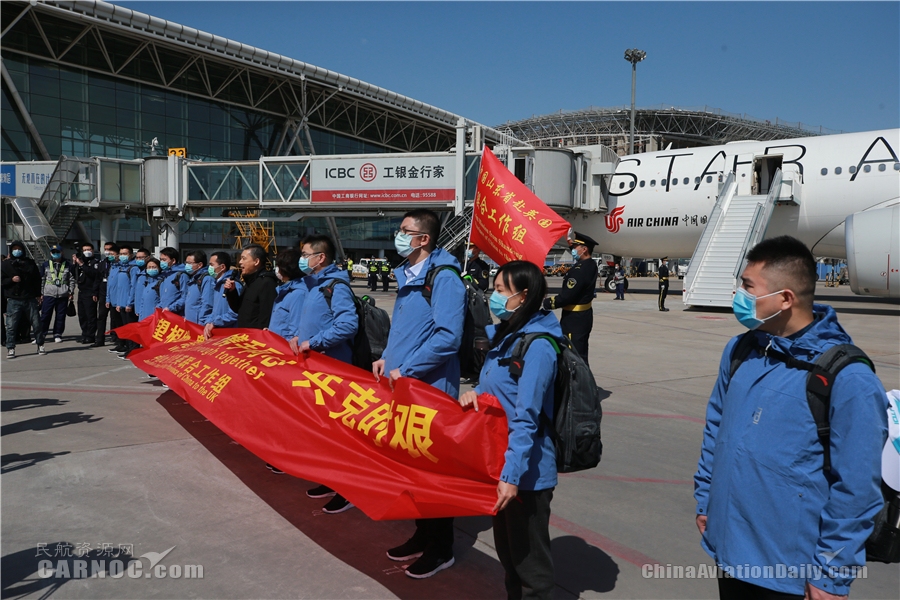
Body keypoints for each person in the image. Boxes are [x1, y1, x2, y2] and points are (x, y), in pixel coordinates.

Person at [693, 236, 888, 600]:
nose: (739, 295)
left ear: (785, 298)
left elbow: (858, 489)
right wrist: (706, 501)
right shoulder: (741, 351)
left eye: (748, 287)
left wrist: (831, 574)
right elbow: (716, 431)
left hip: (789, 571)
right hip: (728, 548)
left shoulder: (847, 377)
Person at [459, 260, 559, 600]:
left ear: (524, 295)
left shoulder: (539, 346)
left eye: (501, 291)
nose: (494, 296)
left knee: (531, 569)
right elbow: (501, 394)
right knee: (510, 561)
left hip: (524, 474)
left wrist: (512, 476)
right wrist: (477, 397)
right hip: (501, 465)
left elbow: (526, 416)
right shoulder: (507, 337)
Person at [374, 208, 466, 579]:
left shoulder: (444, 277)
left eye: (404, 230)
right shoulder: (411, 274)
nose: (398, 235)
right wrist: (385, 357)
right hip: (404, 386)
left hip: (428, 389)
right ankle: (422, 534)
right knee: (412, 469)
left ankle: (441, 548)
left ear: (423, 239)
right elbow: (410, 330)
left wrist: (407, 368)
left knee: (432, 472)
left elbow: (447, 337)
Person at [293, 235, 359, 514]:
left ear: (321, 257)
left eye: (306, 254)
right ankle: (331, 480)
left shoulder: (335, 285)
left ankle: (348, 489)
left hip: (332, 371)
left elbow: (348, 325)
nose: (302, 258)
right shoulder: (314, 285)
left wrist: (314, 342)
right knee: (322, 430)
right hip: (314, 370)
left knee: (338, 433)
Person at [542, 231, 598, 366]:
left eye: (575, 247)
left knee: (573, 355)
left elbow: (567, 297)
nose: (573, 250)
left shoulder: (580, 270)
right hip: (582, 316)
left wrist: (547, 302)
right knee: (581, 352)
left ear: (584, 249)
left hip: (574, 319)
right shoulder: (590, 265)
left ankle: (578, 385)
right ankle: (584, 384)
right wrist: (570, 244)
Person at [2, 241, 44, 357]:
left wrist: (38, 294)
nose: (17, 251)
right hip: (13, 299)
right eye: (14, 249)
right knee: (11, 325)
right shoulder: (6, 265)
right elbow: (2, 281)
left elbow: (37, 279)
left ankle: (40, 344)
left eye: (19, 248)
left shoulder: (30, 263)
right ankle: (10, 347)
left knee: (36, 323)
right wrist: (11, 280)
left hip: (29, 298)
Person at [224, 244, 278, 329]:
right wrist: (232, 291)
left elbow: (266, 317)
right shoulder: (250, 281)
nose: (240, 262)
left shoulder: (266, 282)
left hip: (255, 338)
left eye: (244, 258)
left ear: (256, 262)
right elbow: (238, 309)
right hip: (244, 335)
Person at [266, 248, 308, 343]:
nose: (277, 269)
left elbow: (295, 331)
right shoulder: (287, 290)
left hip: (284, 349)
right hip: (276, 344)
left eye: (278, 266)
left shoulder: (298, 293)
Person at [39, 244, 75, 344]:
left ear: (61, 253)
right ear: (50, 253)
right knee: (45, 315)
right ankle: (42, 333)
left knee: (60, 315)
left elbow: (71, 280)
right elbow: (42, 280)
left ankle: (58, 334)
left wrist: (71, 291)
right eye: (53, 252)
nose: (56, 254)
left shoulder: (68, 265)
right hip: (48, 293)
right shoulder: (46, 264)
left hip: (63, 294)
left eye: (57, 252)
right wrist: (41, 293)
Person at [203, 252, 242, 339]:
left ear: (222, 267)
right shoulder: (217, 284)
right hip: (217, 333)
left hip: (229, 334)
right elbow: (214, 310)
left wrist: (215, 322)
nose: (209, 268)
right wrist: (209, 321)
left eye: (212, 265)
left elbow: (235, 313)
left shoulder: (233, 285)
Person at [72, 242, 103, 344]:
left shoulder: (95, 262)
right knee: (82, 315)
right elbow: (74, 273)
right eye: (84, 250)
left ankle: (90, 335)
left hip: (90, 292)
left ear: (93, 250)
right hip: (81, 291)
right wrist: (75, 263)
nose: (87, 252)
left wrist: (82, 264)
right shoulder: (81, 260)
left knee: (90, 315)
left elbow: (94, 274)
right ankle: (84, 334)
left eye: (89, 250)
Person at [93, 242, 118, 347]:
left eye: (111, 251)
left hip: (115, 294)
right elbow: (97, 278)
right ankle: (99, 339)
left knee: (115, 318)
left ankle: (115, 338)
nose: (108, 252)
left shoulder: (118, 265)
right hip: (103, 293)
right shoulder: (103, 263)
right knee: (101, 317)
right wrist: (95, 292)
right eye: (106, 249)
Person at [183, 250, 214, 325]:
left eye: (189, 263)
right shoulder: (193, 278)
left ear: (200, 265)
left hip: (199, 324)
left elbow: (207, 304)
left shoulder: (206, 279)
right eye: (186, 263)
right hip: (191, 322)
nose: (187, 265)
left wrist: (202, 323)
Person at [158, 247, 188, 315]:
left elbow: (185, 297)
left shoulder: (181, 275)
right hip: (165, 313)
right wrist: (159, 307)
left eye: (164, 260)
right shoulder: (165, 275)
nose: (161, 262)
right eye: (160, 259)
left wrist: (171, 308)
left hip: (176, 315)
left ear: (173, 260)